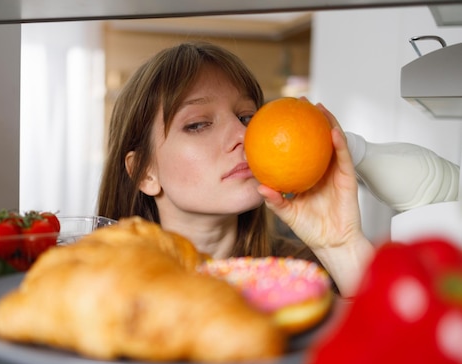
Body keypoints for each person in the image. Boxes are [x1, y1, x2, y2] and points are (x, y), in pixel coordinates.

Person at [97, 41, 374, 298]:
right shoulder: (104, 285)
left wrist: (340, 245)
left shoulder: (308, 276)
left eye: (246, 117)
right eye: (198, 124)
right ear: (145, 172)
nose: (243, 134)